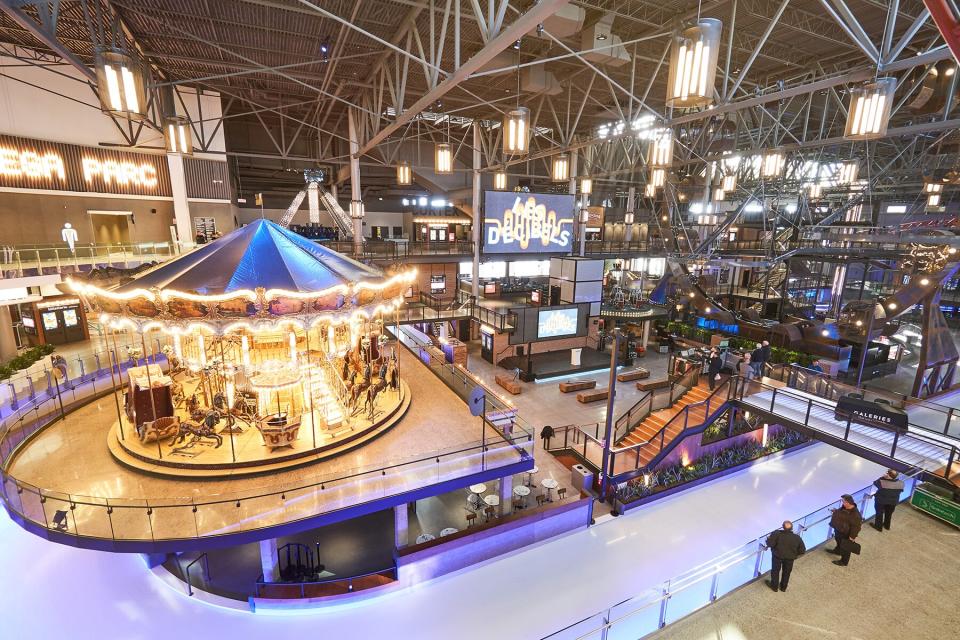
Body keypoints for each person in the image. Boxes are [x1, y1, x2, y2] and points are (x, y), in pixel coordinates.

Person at [765, 520, 806, 592]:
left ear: (782, 527)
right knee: (787, 572)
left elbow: (770, 544)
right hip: (790, 559)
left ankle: (774, 587)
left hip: (777, 557)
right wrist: (794, 555)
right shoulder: (797, 538)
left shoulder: (776, 534)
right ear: (792, 528)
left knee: (775, 571)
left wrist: (768, 539)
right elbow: (802, 551)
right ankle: (783, 587)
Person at [828, 494, 862, 567]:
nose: (842, 503)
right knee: (838, 541)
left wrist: (852, 537)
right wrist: (835, 511)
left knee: (846, 548)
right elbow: (842, 515)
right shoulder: (844, 507)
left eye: (843, 501)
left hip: (845, 533)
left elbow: (856, 527)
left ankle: (844, 561)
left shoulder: (855, 515)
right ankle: (837, 551)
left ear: (848, 503)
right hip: (839, 529)